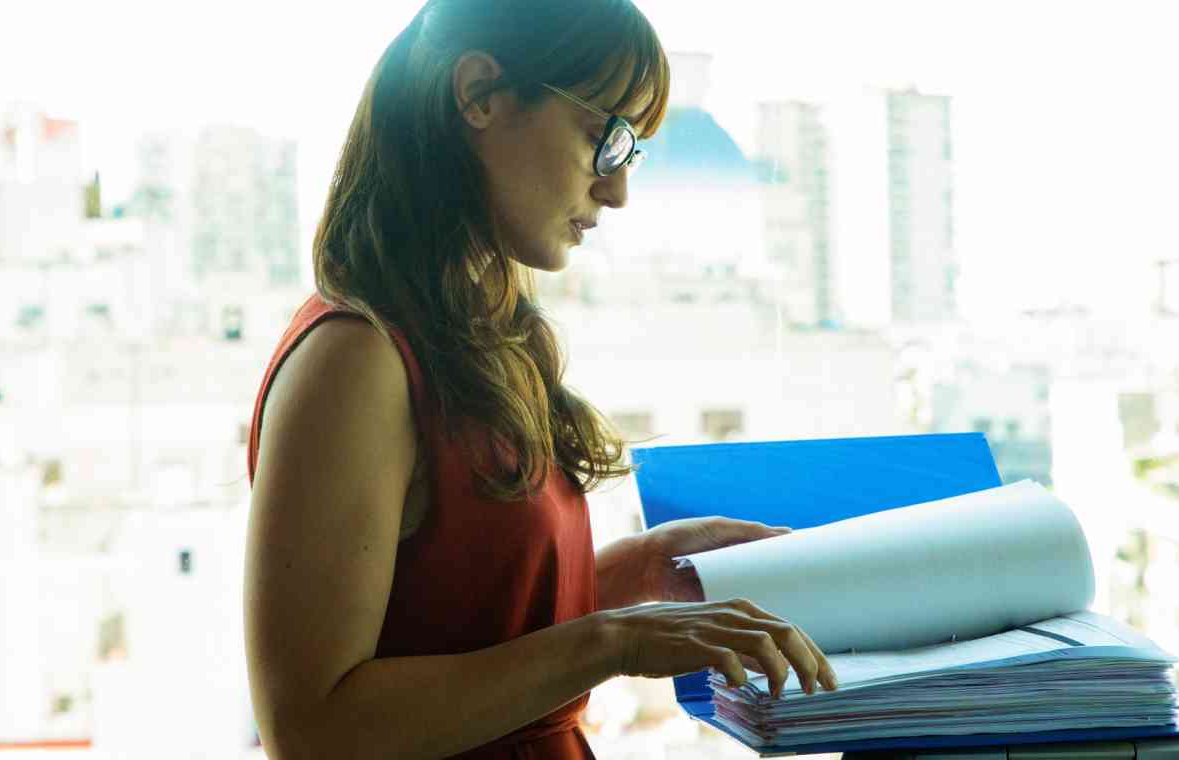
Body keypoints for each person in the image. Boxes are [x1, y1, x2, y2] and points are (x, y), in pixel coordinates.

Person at [242, 0, 838, 757]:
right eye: (603, 138)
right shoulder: (354, 360)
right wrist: (612, 641)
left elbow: (456, 619)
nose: (617, 191)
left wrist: (634, 572)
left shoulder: (476, 338)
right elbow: (313, 727)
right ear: (481, 95)